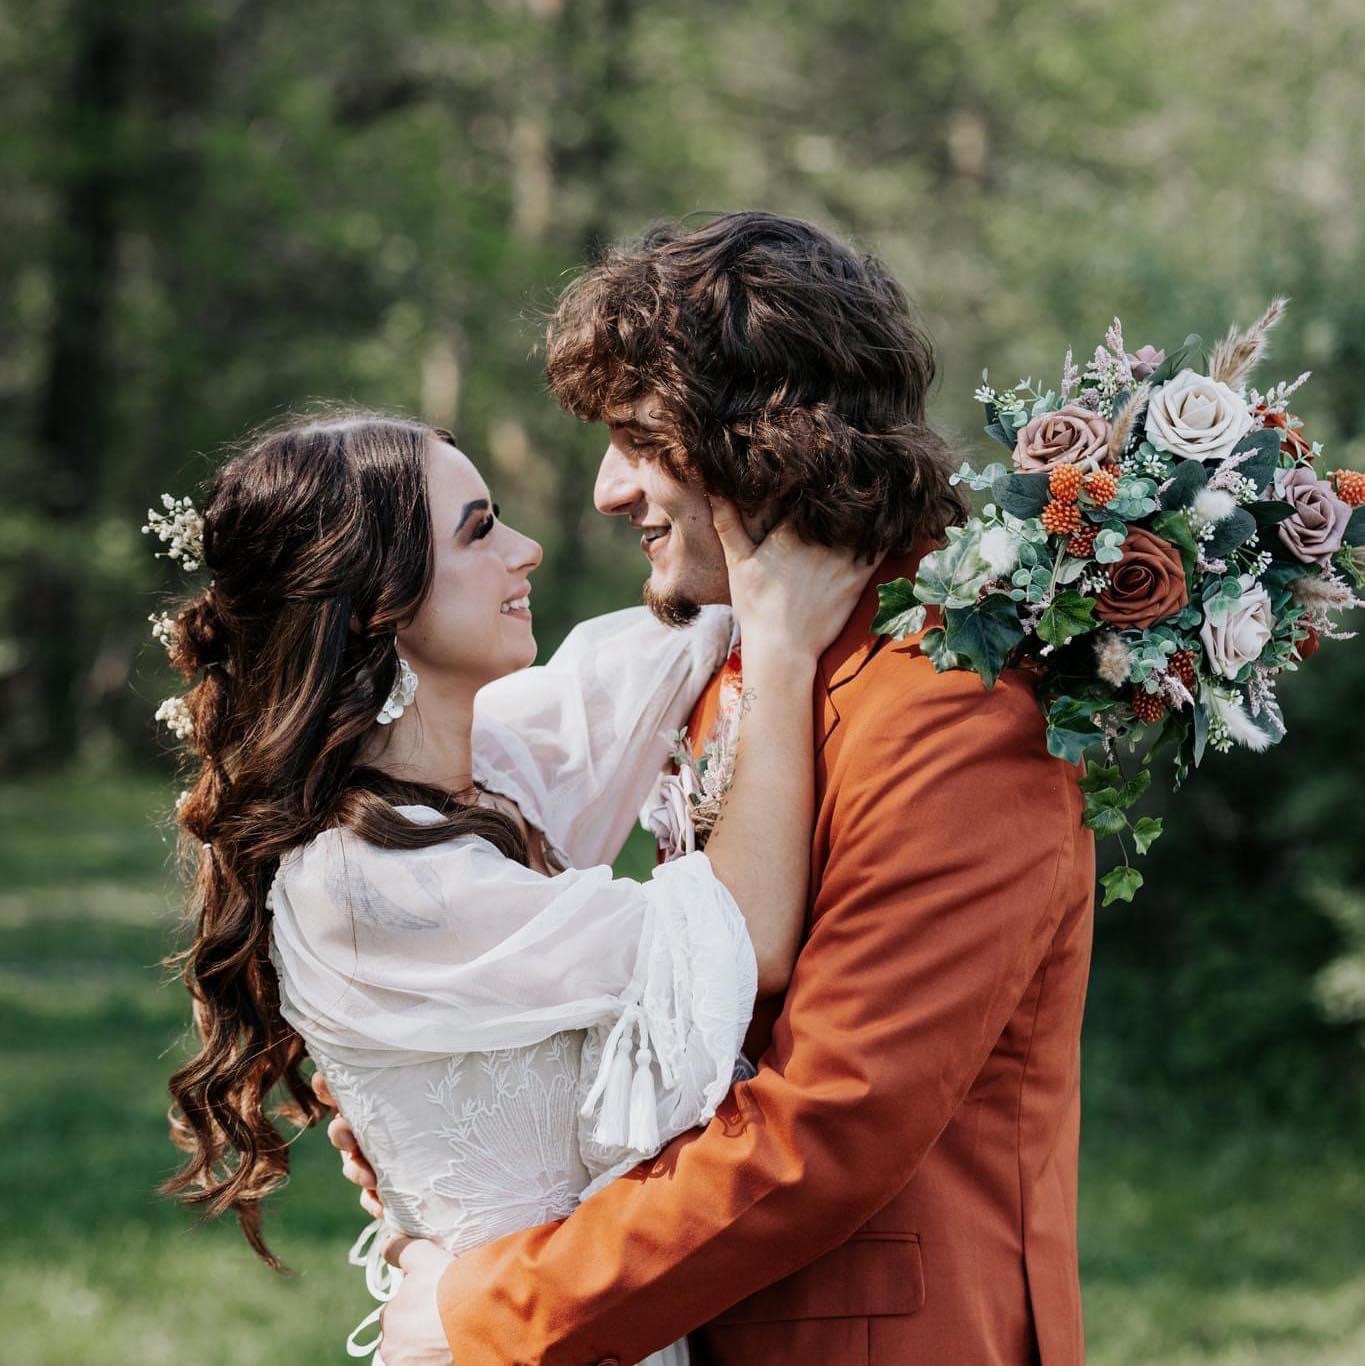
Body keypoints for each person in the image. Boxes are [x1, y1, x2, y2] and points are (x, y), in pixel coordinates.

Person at [340, 212, 1097, 1365]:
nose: (603, 492)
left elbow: (832, 1124)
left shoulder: (952, 713)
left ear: (766, 438)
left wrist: (491, 1307)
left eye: (641, 441)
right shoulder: (727, 657)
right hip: (694, 1307)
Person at [158, 410, 871, 1362]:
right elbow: (739, 935)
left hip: (578, 1321)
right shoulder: (365, 880)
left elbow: (645, 661)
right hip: (508, 1333)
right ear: (381, 601)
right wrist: (782, 658)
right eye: (479, 530)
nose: (526, 551)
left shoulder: (475, 770)